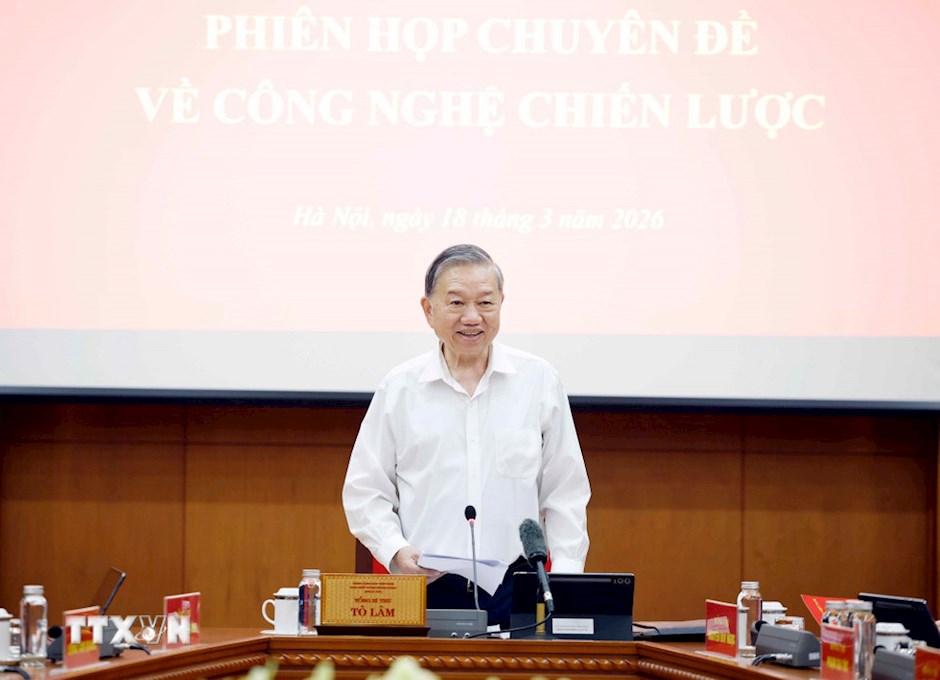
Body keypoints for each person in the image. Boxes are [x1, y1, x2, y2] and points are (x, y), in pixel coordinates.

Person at [342, 244, 590, 627]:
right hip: (425, 586)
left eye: (485, 303)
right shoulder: (400, 388)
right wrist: (395, 550)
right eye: (456, 303)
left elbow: (565, 492)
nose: (472, 317)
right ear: (428, 310)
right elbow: (365, 490)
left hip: (518, 586)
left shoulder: (538, 381)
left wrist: (566, 582)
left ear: (501, 303)